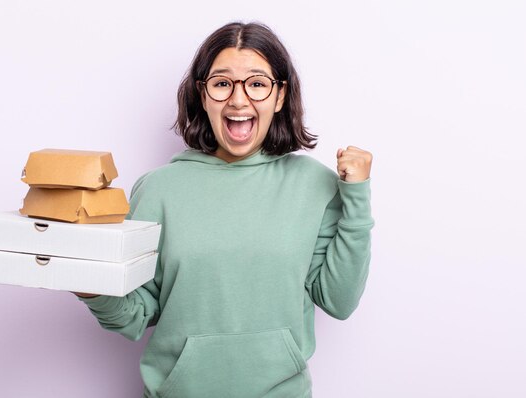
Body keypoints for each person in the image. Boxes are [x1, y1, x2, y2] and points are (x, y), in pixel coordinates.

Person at [75, 21, 374, 398]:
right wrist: (91, 289)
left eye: (257, 83)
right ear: (202, 95)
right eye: (221, 83)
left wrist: (357, 196)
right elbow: (136, 315)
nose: (238, 100)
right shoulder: (159, 189)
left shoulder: (314, 185)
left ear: (280, 96)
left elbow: (339, 300)